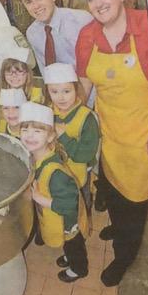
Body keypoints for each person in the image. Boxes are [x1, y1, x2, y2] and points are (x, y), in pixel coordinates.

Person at [75, 0, 148, 286]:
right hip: (108, 134)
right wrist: (69, 115)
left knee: (135, 204)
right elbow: (84, 84)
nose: (99, 2)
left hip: (143, 139)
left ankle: (125, 256)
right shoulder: (87, 35)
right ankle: (117, 225)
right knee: (110, 190)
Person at [21, 102, 90, 283]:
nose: (29, 136)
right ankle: (69, 257)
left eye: (38, 131)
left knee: (74, 245)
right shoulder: (39, 156)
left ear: (51, 136)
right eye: (25, 130)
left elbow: (69, 205)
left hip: (69, 222)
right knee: (69, 247)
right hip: (59, 217)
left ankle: (79, 268)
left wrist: (41, 199)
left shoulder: (56, 174)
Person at [19, 0, 93, 73]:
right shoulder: (32, 33)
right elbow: (45, 72)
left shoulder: (82, 21)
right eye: (28, 2)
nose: (36, 6)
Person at [43, 63, 100, 200]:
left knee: (79, 212)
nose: (61, 97)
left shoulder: (87, 118)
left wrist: (64, 137)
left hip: (78, 179)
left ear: (76, 89)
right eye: (54, 92)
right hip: (51, 177)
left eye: (66, 91)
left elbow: (85, 155)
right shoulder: (46, 112)